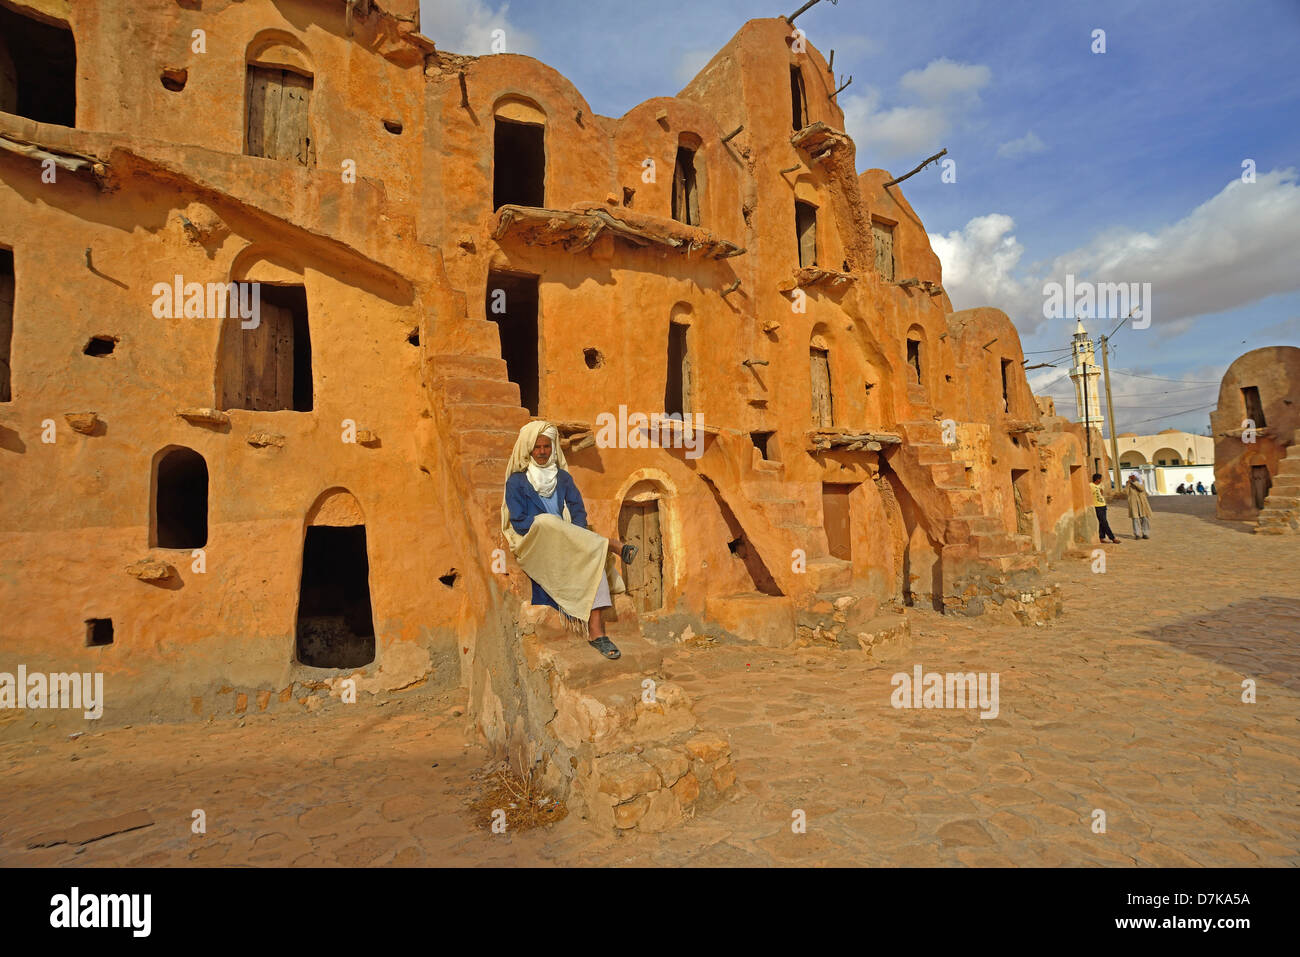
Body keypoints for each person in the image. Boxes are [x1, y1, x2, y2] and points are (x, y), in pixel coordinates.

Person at [501, 421, 637, 660]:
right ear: (528, 450)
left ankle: (597, 634)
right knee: (547, 521)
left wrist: (573, 535)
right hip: (536, 542)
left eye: (547, 446)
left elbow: (578, 511)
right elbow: (520, 522)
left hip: (569, 540)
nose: (542, 452)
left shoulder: (562, 478)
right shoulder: (516, 482)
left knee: (594, 559)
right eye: (537, 447)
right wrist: (555, 529)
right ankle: (611, 544)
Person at [1091, 473, 1120, 544]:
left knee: (1102, 523)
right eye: (1100, 479)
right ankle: (1112, 538)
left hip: (1103, 505)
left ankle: (1101, 538)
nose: (1101, 480)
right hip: (1097, 506)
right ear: (1097, 479)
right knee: (1104, 522)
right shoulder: (1091, 485)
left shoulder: (1100, 485)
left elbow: (1101, 493)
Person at [1126, 472, 1152, 539]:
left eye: (1134, 476)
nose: (1132, 477)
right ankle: (1137, 534)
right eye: (1131, 476)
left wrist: (1134, 482)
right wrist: (1129, 483)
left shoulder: (1141, 481)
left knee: (1145, 518)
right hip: (1133, 502)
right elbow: (1126, 492)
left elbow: (1141, 489)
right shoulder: (1128, 482)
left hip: (1142, 502)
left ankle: (1145, 533)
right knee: (1135, 518)